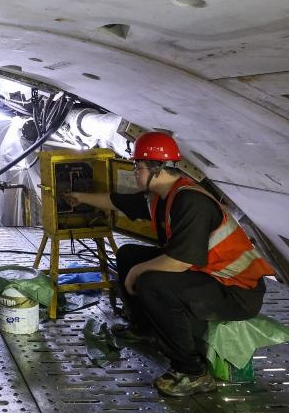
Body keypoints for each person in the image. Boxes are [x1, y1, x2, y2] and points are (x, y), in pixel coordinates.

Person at [65, 132, 275, 397]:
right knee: (129, 254)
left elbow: (180, 261)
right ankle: (143, 329)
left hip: (236, 291)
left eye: (137, 167)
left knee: (152, 282)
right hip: (209, 275)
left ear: (157, 169)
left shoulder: (191, 201)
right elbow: (116, 201)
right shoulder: (162, 196)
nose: (134, 172)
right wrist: (80, 198)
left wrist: (136, 274)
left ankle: (191, 372)